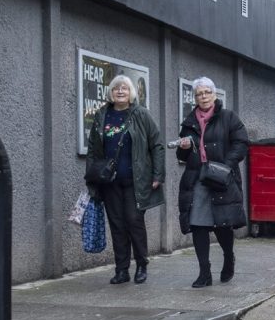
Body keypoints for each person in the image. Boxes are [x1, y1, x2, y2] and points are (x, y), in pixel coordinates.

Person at [85, 74, 165, 284]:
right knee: (117, 224)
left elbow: (157, 144)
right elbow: (93, 149)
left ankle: (141, 264)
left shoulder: (141, 115)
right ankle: (122, 270)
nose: (120, 91)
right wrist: (91, 178)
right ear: (110, 93)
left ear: (131, 93)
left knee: (134, 220)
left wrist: (158, 174)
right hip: (109, 182)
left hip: (135, 181)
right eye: (116, 88)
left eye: (125, 89)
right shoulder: (102, 115)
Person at [176, 76, 248, 287]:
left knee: (223, 224)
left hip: (222, 177)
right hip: (198, 178)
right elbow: (182, 156)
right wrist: (184, 148)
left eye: (207, 92)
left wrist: (225, 166)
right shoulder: (189, 122)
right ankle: (204, 272)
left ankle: (228, 257)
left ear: (214, 95)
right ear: (195, 97)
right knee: (198, 223)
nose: (203, 96)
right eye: (199, 93)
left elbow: (241, 143)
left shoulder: (228, 117)